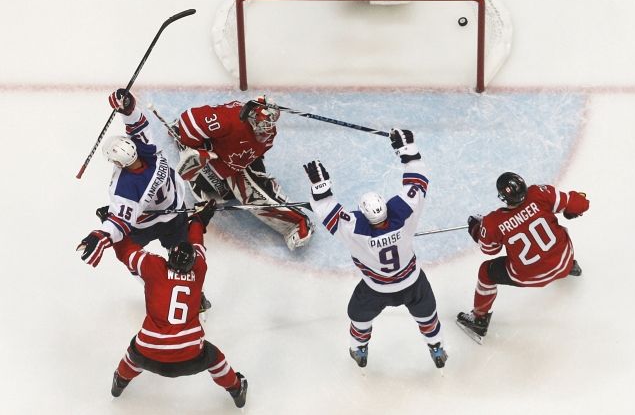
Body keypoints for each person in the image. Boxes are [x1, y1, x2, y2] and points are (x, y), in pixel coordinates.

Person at [303, 129, 447, 369]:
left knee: (358, 318)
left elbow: (326, 207)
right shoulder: (403, 214)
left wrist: (320, 187)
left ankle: (359, 349)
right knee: (427, 316)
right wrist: (407, 149)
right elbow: (417, 180)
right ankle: (437, 348)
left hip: (375, 290)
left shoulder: (355, 230)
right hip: (412, 283)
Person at [75, 88, 211, 312]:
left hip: (153, 221)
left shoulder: (124, 186)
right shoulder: (148, 150)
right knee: (183, 258)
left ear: (118, 163)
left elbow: (120, 223)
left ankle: (173, 293)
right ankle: (189, 298)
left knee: (133, 260)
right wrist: (127, 107)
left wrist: (100, 235)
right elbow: (137, 126)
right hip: (174, 212)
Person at [107, 200, 248, 408]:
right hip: (190, 355)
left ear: (169, 258)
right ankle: (236, 389)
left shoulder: (153, 266)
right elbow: (197, 242)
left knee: (134, 353)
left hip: (148, 352)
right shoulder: (199, 268)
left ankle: (119, 381)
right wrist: (199, 219)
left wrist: (111, 228)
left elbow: (125, 252)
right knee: (215, 358)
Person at [457, 172, 590, 343]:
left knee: (486, 272)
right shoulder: (540, 194)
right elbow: (581, 204)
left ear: (503, 197)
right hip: (563, 261)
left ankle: (479, 319)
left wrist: (477, 230)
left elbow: (490, 249)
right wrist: (572, 210)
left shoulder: (493, 222)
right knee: (559, 231)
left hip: (529, 276)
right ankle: (570, 267)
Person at [174, 95, 314, 251]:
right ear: (252, 117)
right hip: (216, 161)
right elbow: (189, 121)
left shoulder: (268, 134)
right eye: (263, 124)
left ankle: (295, 223)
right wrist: (195, 149)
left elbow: (257, 151)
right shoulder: (228, 120)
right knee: (227, 192)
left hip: (236, 163)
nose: (267, 129)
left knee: (248, 191)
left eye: (269, 124)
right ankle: (296, 222)